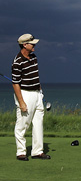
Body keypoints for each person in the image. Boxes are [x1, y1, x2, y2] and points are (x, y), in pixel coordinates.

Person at [11, 33, 51, 161]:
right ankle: (21, 152)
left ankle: (37, 152)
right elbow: (15, 83)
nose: (34, 45)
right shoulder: (17, 61)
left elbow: (35, 76)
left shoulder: (33, 57)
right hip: (25, 94)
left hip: (37, 93)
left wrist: (40, 91)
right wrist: (21, 102)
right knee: (22, 124)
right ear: (24, 45)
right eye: (32, 43)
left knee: (38, 123)